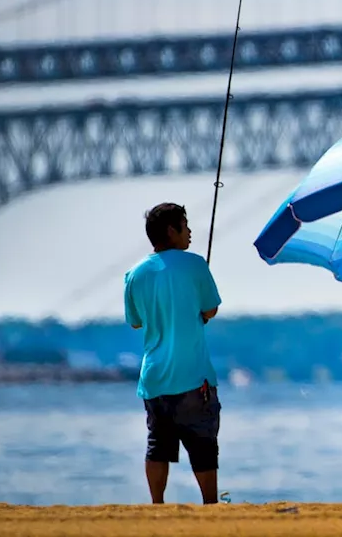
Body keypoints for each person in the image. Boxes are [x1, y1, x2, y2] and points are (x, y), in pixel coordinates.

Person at [123, 202, 223, 504]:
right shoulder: (195, 264)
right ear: (171, 230)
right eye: (185, 225)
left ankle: (157, 506)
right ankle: (210, 504)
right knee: (203, 444)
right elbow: (211, 309)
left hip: (154, 378)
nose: (190, 231)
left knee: (157, 445)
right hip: (193, 375)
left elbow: (136, 321)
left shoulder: (134, 274)